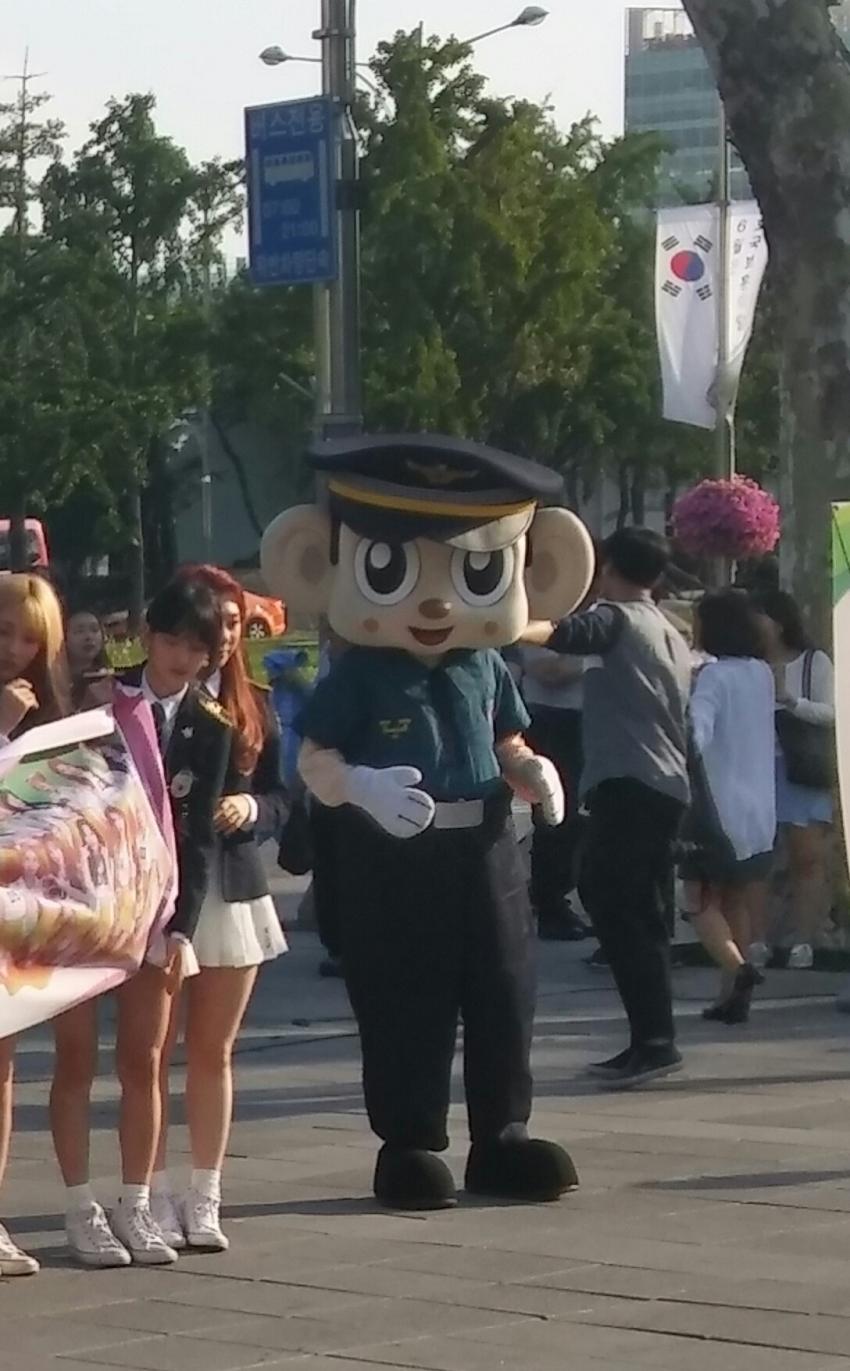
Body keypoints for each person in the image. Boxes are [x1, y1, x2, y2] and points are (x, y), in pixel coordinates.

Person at [262, 432, 595, 1211]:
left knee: (504, 988)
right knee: (406, 995)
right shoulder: (361, 673)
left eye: (476, 571)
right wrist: (360, 786)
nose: (439, 602)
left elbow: (505, 738)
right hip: (395, 855)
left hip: (486, 844)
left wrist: (530, 770)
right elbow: (315, 757)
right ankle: (410, 1141)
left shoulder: (483, 664)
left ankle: (502, 1133)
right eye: (391, 568)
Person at [49, 578, 232, 1269]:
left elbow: (200, 833)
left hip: (156, 907)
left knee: (144, 1059)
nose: (182, 656)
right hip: (86, 899)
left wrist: (182, 926)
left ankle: (137, 1200)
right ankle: (79, 1203)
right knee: (75, 1057)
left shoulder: (211, 725)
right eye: (171, 640)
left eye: (196, 647)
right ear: (147, 638)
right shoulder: (101, 699)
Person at [150, 565, 288, 1255]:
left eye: (235, 625)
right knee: (150, 1051)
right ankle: (146, 1190)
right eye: (214, 626)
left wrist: (253, 807)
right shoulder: (149, 698)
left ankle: (204, 1192)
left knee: (212, 1049)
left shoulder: (254, 703)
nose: (224, 637)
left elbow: (286, 799)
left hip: (231, 885)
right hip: (159, 886)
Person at [525, 527, 692, 1090]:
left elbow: (568, 634)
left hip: (632, 782)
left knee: (615, 901)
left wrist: (501, 625)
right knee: (637, 910)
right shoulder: (667, 627)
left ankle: (655, 1041)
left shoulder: (617, 619)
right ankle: (651, 1038)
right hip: (661, 783)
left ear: (609, 568)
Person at [0, 574, 71, 1276]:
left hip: (13, 921)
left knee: (2, 1069)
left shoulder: (48, 717)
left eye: (30, 639)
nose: (14, 649)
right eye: (2, 632)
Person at [679, 591, 776, 1023]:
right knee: (736, 897)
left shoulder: (713, 677)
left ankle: (738, 969)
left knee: (698, 899)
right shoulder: (761, 673)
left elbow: (697, 732)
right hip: (758, 808)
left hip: (717, 804)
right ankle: (731, 996)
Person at [752, 590, 835, 969]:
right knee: (757, 858)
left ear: (779, 621)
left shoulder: (813, 662)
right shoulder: (748, 664)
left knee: (807, 857)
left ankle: (804, 940)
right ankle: (757, 938)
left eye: (760, 616)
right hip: (756, 768)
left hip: (800, 767)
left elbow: (832, 713)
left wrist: (790, 700)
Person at [513, 645, 589, 941]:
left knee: (579, 818)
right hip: (552, 719)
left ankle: (557, 896)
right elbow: (548, 672)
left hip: (585, 719)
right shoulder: (539, 628)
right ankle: (550, 905)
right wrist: (596, 658)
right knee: (556, 815)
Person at [65, 608, 110, 710]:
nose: (88, 637)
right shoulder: (56, 684)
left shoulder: (111, 681)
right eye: (79, 631)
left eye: (94, 630)